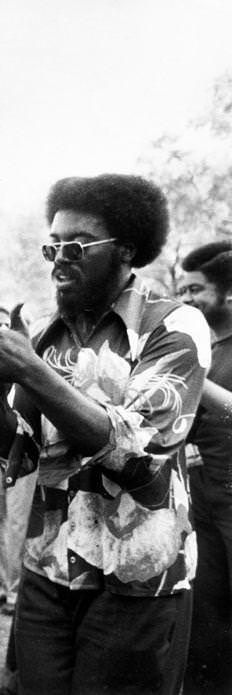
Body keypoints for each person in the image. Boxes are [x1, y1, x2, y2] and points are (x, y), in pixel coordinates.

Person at [0, 174, 210, 694]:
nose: (60, 257)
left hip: (135, 582)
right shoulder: (42, 334)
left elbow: (138, 454)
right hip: (47, 570)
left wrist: (28, 370)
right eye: (53, 245)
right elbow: (19, 454)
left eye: (78, 244)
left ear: (127, 249)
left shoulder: (174, 327)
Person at [177, 240, 232, 694]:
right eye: (182, 291)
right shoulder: (205, 350)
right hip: (203, 500)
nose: (187, 300)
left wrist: (192, 377)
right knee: (206, 614)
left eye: (196, 289)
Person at [0, 304, 37, 617]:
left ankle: (16, 593)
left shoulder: (28, 368)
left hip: (22, 457)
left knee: (18, 524)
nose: (3, 330)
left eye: (8, 326)